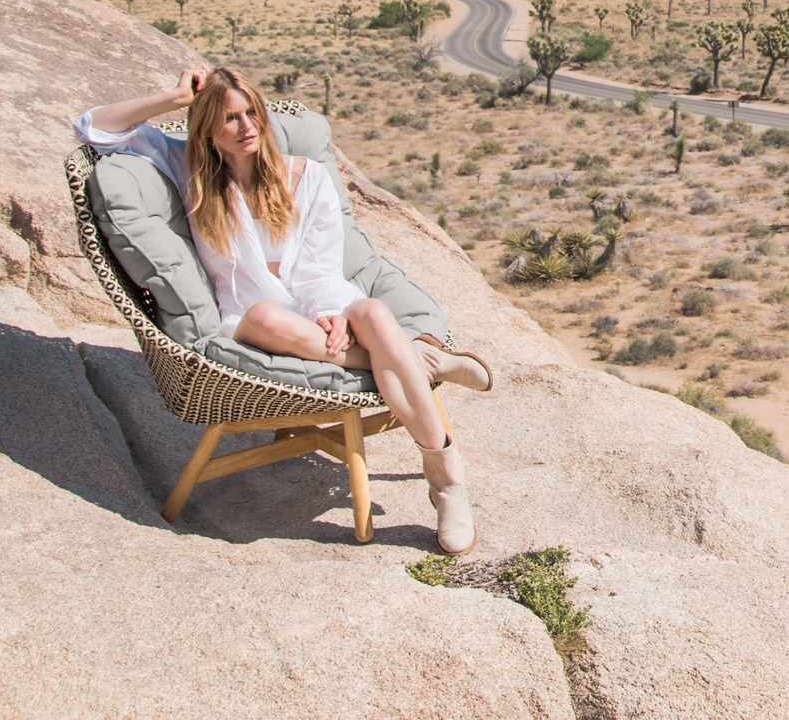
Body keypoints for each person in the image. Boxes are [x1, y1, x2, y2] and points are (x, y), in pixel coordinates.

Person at [74, 67, 490, 554]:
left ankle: (446, 482)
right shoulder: (186, 169)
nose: (247, 126)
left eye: (253, 112)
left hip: (318, 304)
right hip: (254, 319)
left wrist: (328, 312)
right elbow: (92, 129)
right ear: (207, 127)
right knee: (268, 317)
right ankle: (422, 360)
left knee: (375, 313)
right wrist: (174, 98)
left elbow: (319, 268)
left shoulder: (307, 176)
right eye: (230, 118)